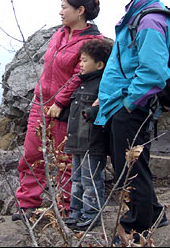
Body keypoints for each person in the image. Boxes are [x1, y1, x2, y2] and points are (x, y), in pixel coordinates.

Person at [94, 0, 170, 241]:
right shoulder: (139, 14)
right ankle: (153, 212)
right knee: (132, 164)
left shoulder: (150, 19)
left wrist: (128, 104)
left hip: (131, 107)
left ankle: (138, 226)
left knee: (131, 168)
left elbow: (153, 71)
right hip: (123, 104)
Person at [12, 0, 104, 221]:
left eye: (65, 7)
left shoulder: (93, 42)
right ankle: (27, 205)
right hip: (40, 104)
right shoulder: (58, 35)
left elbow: (80, 75)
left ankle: (65, 208)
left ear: (80, 11)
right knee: (32, 155)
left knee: (65, 160)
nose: (60, 11)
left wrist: (60, 102)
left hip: (67, 109)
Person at [62, 39, 112, 230]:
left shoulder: (102, 86)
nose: (80, 65)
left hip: (93, 143)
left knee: (90, 180)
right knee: (76, 179)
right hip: (78, 142)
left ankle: (91, 214)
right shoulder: (81, 85)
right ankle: (75, 212)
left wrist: (92, 112)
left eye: (84, 61)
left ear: (99, 65)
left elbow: (105, 110)